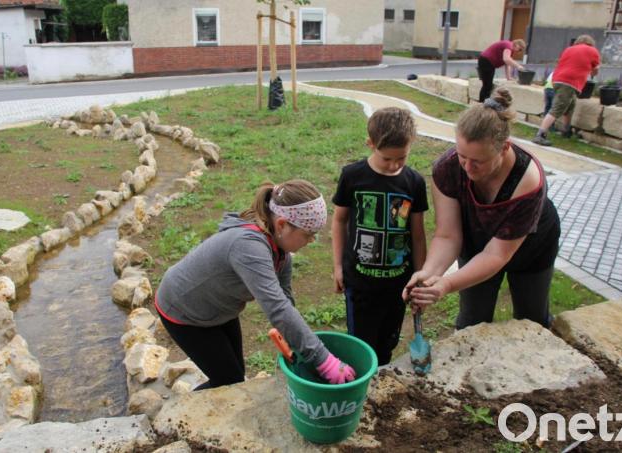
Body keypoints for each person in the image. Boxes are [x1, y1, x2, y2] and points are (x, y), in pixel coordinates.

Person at [155, 180, 356, 389]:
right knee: (228, 380)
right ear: (282, 225)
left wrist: (296, 342)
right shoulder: (248, 247)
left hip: (218, 304)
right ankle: (179, 409)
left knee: (235, 375)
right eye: (308, 235)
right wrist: (324, 361)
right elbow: (277, 308)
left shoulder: (281, 253)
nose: (311, 241)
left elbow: (286, 302)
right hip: (183, 308)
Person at [403, 88, 560, 330]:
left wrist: (447, 284)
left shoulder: (528, 179)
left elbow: (497, 255)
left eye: (478, 161)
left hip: (532, 245)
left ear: (504, 148)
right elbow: (447, 235)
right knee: (471, 319)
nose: (467, 168)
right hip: (476, 238)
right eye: (462, 156)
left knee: (532, 320)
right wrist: (430, 274)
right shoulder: (447, 168)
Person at [332, 107, 428, 365]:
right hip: (360, 282)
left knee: (387, 342)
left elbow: (418, 235)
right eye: (387, 158)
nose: (394, 165)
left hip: (398, 283)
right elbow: (339, 221)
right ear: (371, 144)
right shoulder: (352, 176)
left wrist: (420, 276)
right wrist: (338, 266)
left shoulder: (414, 183)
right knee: (361, 346)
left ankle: (382, 376)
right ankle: (362, 379)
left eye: (402, 158)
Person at [532, 35, 600, 146]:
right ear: (591, 43)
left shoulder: (569, 49)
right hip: (569, 82)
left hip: (557, 80)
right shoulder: (592, 51)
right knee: (557, 108)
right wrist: (593, 73)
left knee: (570, 106)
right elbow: (595, 69)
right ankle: (540, 135)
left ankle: (566, 131)